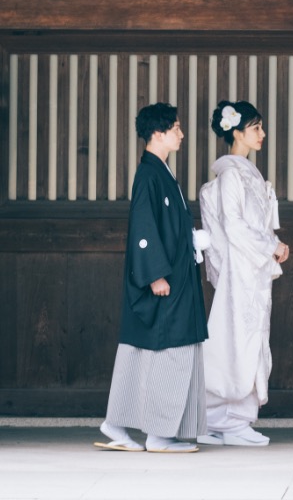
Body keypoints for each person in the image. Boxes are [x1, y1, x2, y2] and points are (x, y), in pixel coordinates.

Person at [95, 102, 208, 453]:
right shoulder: (149, 174)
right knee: (168, 351)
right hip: (163, 281)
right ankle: (159, 434)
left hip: (173, 276)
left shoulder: (159, 172)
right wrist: (155, 274)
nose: (181, 133)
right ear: (157, 133)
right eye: (175, 127)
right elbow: (143, 227)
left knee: (145, 352)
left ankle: (116, 424)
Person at [198, 101, 289, 448]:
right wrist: (270, 246)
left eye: (261, 127)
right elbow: (234, 227)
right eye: (255, 128)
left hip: (251, 271)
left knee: (246, 338)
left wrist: (272, 245)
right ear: (236, 133)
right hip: (241, 271)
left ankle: (230, 419)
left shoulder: (246, 173)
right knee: (237, 340)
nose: (262, 134)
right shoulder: (232, 175)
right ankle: (228, 419)